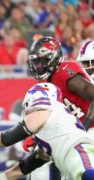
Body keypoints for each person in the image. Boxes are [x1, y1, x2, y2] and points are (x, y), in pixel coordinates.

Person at [0, 83, 94, 180]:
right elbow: (27, 165)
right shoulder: (54, 128)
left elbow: (8, 138)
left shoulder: (46, 108)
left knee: (88, 176)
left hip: (78, 154)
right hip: (72, 157)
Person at [24, 37, 94, 179]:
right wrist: (37, 136)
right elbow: (53, 115)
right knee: (40, 159)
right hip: (72, 129)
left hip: (90, 127)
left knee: (76, 170)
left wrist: (82, 130)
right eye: (36, 62)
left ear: (52, 58)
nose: (38, 66)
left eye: (41, 61)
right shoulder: (50, 79)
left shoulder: (64, 73)